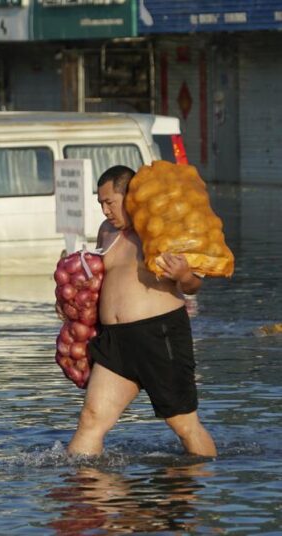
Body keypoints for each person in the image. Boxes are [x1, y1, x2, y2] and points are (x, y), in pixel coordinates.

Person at [67, 165, 217, 457]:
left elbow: (193, 285)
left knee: (185, 426)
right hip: (116, 342)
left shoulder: (161, 229)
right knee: (91, 420)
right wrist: (73, 304)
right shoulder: (107, 232)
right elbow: (100, 282)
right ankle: (84, 498)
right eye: (100, 203)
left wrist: (183, 274)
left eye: (110, 202)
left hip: (159, 337)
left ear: (131, 196)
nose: (105, 210)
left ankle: (204, 490)